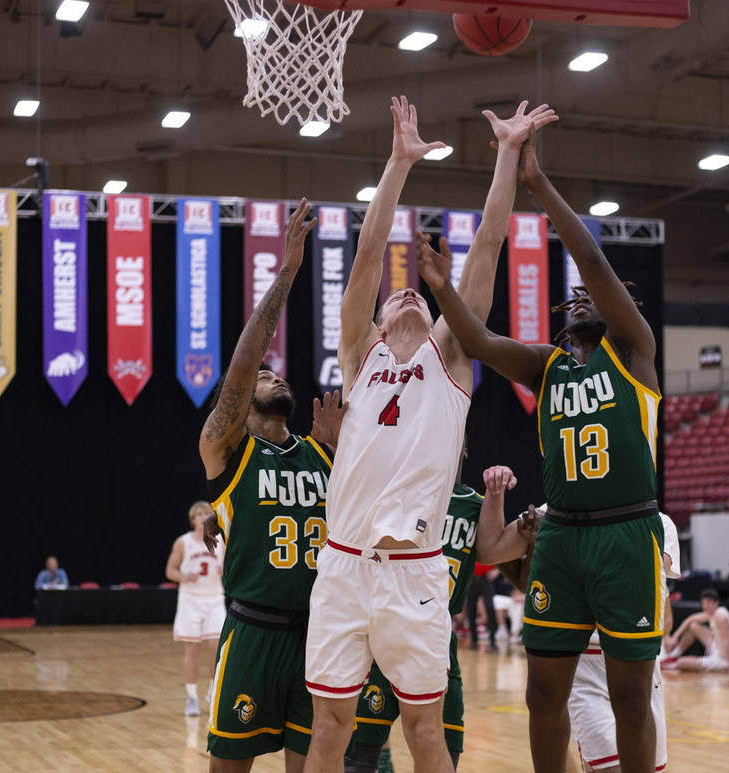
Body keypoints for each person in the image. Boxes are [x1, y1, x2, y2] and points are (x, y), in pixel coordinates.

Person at [303, 95, 557, 773]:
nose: (406, 293)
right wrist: (397, 162)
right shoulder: (363, 359)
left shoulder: (449, 363)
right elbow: (364, 260)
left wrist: (507, 152)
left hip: (414, 573)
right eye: (397, 296)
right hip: (343, 563)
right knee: (328, 726)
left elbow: (488, 247)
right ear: (379, 324)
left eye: (416, 291)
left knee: (424, 732)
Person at [417, 116, 666, 773]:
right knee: (540, 691)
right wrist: (443, 288)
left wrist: (538, 182)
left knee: (630, 698)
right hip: (560, 538)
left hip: (624, 534)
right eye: (577, 300)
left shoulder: (635, 352)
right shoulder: (543, 365)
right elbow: (477, 341)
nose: (586, 299)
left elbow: (590, 258)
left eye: (599, 299)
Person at [199, 198, 338, 772]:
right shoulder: (227, 449)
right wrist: (287, 272)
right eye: (264, 375)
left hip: (319, 637)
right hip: (253, 633)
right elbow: (244, 359)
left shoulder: (322, 453)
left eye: (277, 373)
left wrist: (336, 447)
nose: (274, 374)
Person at [343, 461, 536, 773]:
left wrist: (499, 499)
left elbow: (505, 561)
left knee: (443, 754)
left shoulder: (475, 506)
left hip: (437, 638)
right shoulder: (394, 494)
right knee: (360, 758)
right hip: (382, 629)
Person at [567, 511, 681, 772]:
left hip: (642, 663)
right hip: (587, 662)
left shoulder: (660, 522)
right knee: (608, 768)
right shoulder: (561, 511)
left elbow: (665, 620)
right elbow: (498, 552)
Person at [166, 500, 226, 717]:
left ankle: (212, 691)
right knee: (191, 648)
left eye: (206, 513)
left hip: (214, 599)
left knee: (216, 646)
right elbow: (170, 571)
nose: (202, 517)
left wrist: (224, 570)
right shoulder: (183, 542)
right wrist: (184, 576)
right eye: (198, 514)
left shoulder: (220, 540)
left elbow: (232, 568)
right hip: (190, 600)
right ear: (192, 520)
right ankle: (191, 698)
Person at [664, 589, 729, 674]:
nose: (705, 606)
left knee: (681, 662)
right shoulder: (713, 613)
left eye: (708, 604)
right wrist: (675, 637)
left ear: (716, 603)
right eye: (703, 604)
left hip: (725, 658)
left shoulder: (720, 617)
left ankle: (666, 664)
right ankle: (672, 656)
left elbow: (727, 643)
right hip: (718, 648)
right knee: (693, 626)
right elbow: (690, 619)